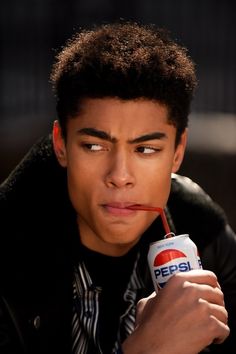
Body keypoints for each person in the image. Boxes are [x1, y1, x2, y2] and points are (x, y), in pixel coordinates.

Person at [0, 21, 235, 354]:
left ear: (178, 151)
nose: (120, 175)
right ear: (61, 145)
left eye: (145, 149)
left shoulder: (206, 234)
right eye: (95, 146)